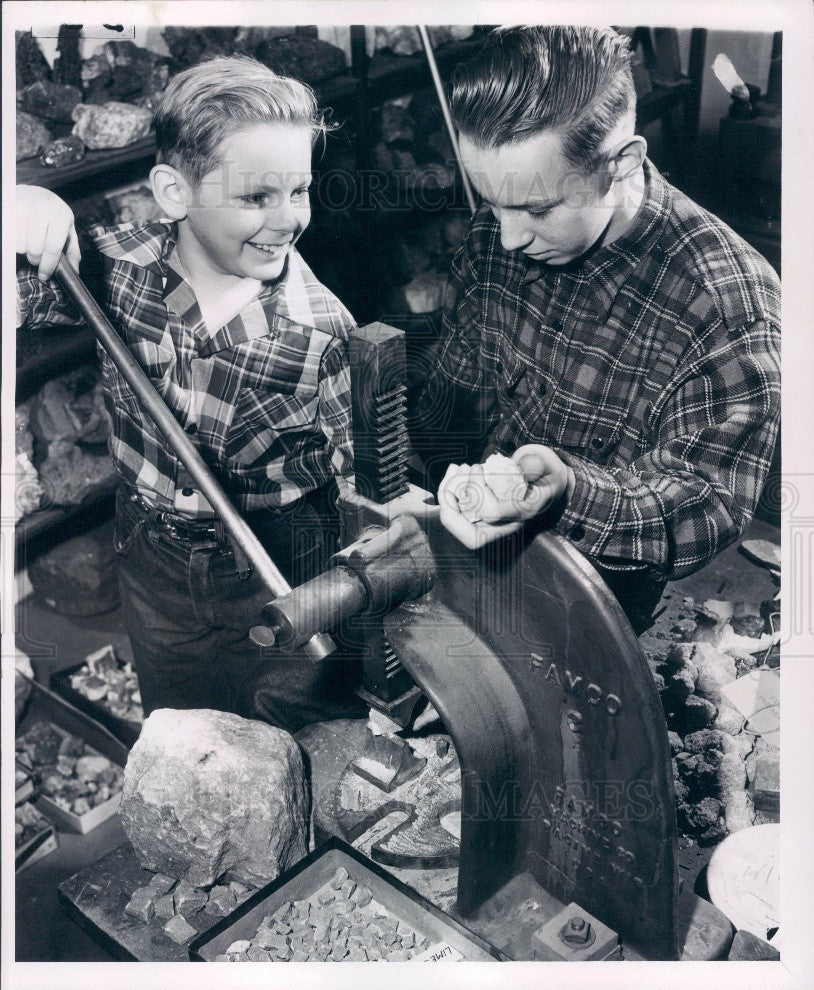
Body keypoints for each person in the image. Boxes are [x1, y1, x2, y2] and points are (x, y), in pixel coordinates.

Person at [16, 56, 366, 730]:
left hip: (281, 562)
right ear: (174, 193)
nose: (289, 218)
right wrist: (23, 204)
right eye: (257, 197)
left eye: (300, 190)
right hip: (152, 564)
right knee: (180, 738)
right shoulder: (114, 267)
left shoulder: (323, 332)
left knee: (289, 743)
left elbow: (369, 500)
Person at [412, 26, 781, 633]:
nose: (506, 237)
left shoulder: (726, 302)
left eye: (535, 209)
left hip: (602, 599)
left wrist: (566, 491)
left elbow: (704, 504)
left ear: (623, 163)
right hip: (468, 560)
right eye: (490, 202)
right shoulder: (499, 235)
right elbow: (453, 388)